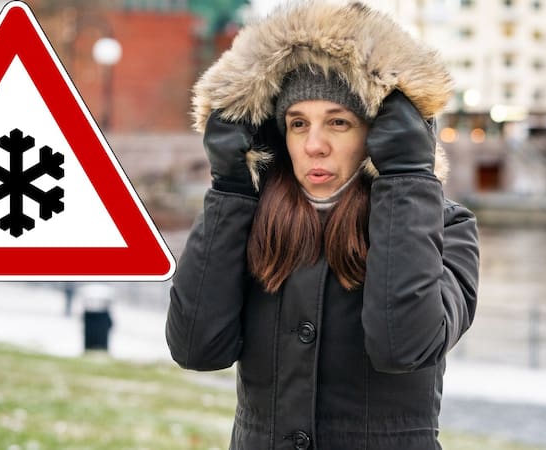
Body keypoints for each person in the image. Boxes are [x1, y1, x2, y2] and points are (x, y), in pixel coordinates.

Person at [166, 1, 479, 449]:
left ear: (377, 133)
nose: (315, 145)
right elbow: (196, 347)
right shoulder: (252, 222)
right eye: (298, 124)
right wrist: (231, 189)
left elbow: (403, 345)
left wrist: (408, 176)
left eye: (338, 122)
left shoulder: (449, 228)